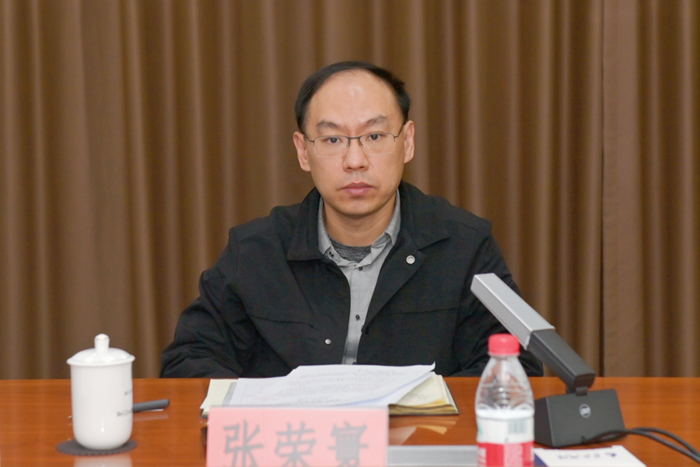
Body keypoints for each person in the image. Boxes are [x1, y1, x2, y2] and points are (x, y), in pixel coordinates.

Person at [160, 61, 542, 378]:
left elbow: (517, 366)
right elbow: (187, 361)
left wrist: (417, 408)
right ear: (303, 151)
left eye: (374, 136)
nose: (355, 161)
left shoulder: (465, 246)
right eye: (332, 140)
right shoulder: (255, 251)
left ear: (407, 141)